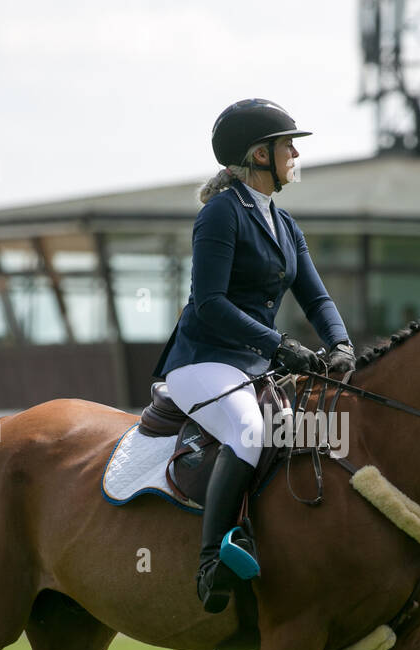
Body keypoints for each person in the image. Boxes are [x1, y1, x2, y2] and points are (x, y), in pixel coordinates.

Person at [151, 99, 355, 613]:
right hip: (203, 361)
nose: (294, 154)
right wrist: (281, 345)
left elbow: (317, 298)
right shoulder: (220, 214)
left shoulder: (284, 224)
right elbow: (211, 304)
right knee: (250, 430)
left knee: (315, 432)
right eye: (288, 145)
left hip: (255, 366)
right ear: (259, 155)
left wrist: (341, 344)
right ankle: (209, 561)